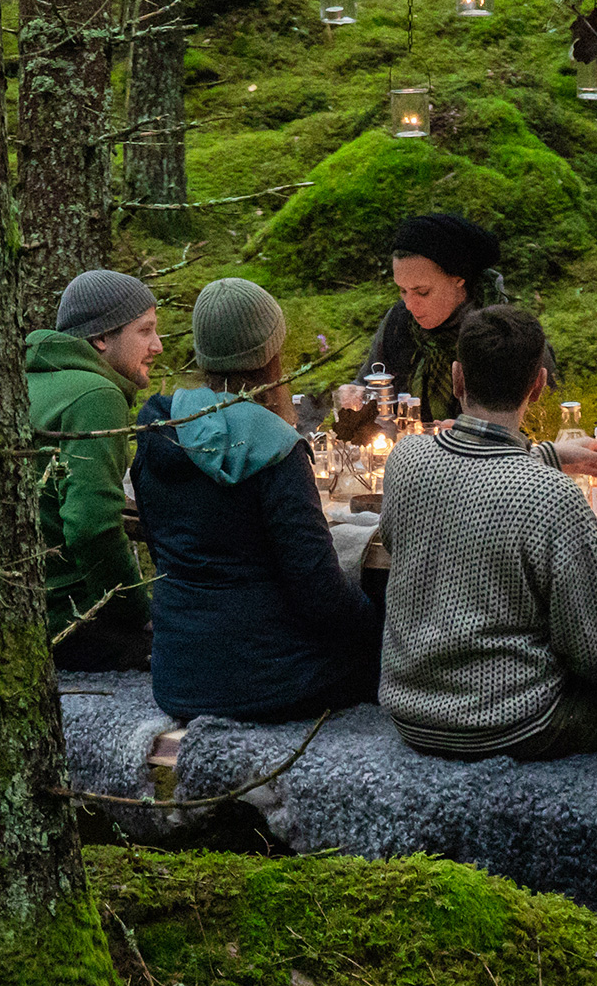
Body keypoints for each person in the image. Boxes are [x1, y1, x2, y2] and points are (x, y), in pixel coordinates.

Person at [379, 305, 597, 760]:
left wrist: (548, 454)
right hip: (515, 724)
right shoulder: (553, 497)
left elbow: (473, 481)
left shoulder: (407, 460)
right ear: (539, 384)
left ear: (458, 377)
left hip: (410, 715)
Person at [131, 278, 381, 723]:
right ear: (272, 354)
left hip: (178, 678)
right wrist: (378, 625)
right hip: (270, 682)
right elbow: (319, 592)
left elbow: (158, 547)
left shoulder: (159, 430)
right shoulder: (277, 448)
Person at [333, 211, 597, 475]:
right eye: (402, 290)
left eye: (422, 291)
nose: (409, 303)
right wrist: (355, 395)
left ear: (459, 280)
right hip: (414, 470)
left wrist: (472, 439)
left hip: (501, 478)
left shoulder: (504, 332)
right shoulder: (398, 324)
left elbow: (547, 421)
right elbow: (367, 383)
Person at [26, 267, 160, 670]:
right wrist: (140, 615)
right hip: (71, 619)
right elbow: (91, 525)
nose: (157, 346)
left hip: (22, 610)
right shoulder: (96, 395)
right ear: (102, 338)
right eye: (145, 330)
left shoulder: (32, 381)